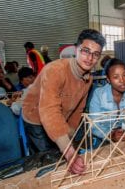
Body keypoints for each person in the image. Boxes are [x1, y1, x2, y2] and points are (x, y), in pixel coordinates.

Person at [22, 29, 106, 174]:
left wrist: (70, 133)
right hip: (37, 120)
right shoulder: (54, 70)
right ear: (76, 49)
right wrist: (69, 152)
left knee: (63, 155)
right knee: (46, 163)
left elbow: (79, 107)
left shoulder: (88, 78)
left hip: (60, 118)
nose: (90, 58)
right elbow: (49, 111)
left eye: (96, 54)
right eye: (86, 51)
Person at [89, 58, 125, 143]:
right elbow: (94, 126)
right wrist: (111, 135)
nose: (122, 80)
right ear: (108, 79)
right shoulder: (99, 95)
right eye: (116, 77)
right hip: (103, 137)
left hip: (124, 134)